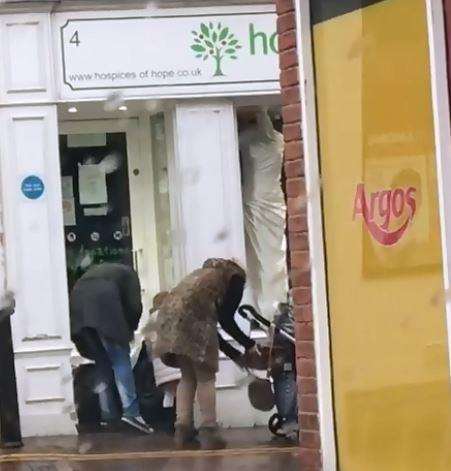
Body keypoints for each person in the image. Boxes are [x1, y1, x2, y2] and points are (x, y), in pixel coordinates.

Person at [150, 258, 259, 449]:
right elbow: (225, 320)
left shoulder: (201, 277)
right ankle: (209, 429)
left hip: (169, 317)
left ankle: (182, 429)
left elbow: (215, 324)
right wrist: (248, 344)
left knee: (187, 376)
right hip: (195, 321)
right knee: (205, 377)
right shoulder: (235, 279)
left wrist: (234, 353)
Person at [70, 262, 152, 434]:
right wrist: (130, 327)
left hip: (78, 304)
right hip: (104, 305)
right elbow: (134, 306)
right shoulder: (129, 274)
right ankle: (132, 413)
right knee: (120, 359)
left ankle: (110, 415)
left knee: (103, 364)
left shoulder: (93, 274)